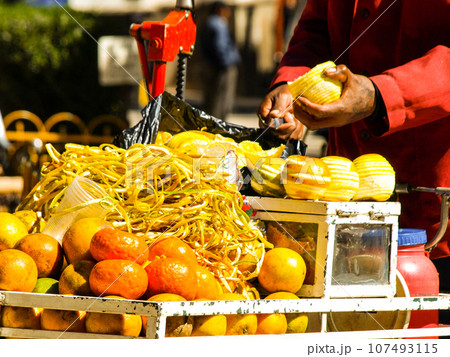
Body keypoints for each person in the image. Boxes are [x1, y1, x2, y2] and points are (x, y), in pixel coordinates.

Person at [258, 1, 450, 289]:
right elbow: (316, 30)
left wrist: (380, 96)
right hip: (344, 208)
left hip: (437, 209)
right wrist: (293, 86)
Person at [199, 1, 241, 120]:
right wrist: (227, 63)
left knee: (212, 98)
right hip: (222, 67)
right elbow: (220, 46)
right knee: (222, 98)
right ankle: (219, 124)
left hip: (212, 64)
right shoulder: (218, 24)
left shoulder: (208, 22)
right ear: (219, 10)